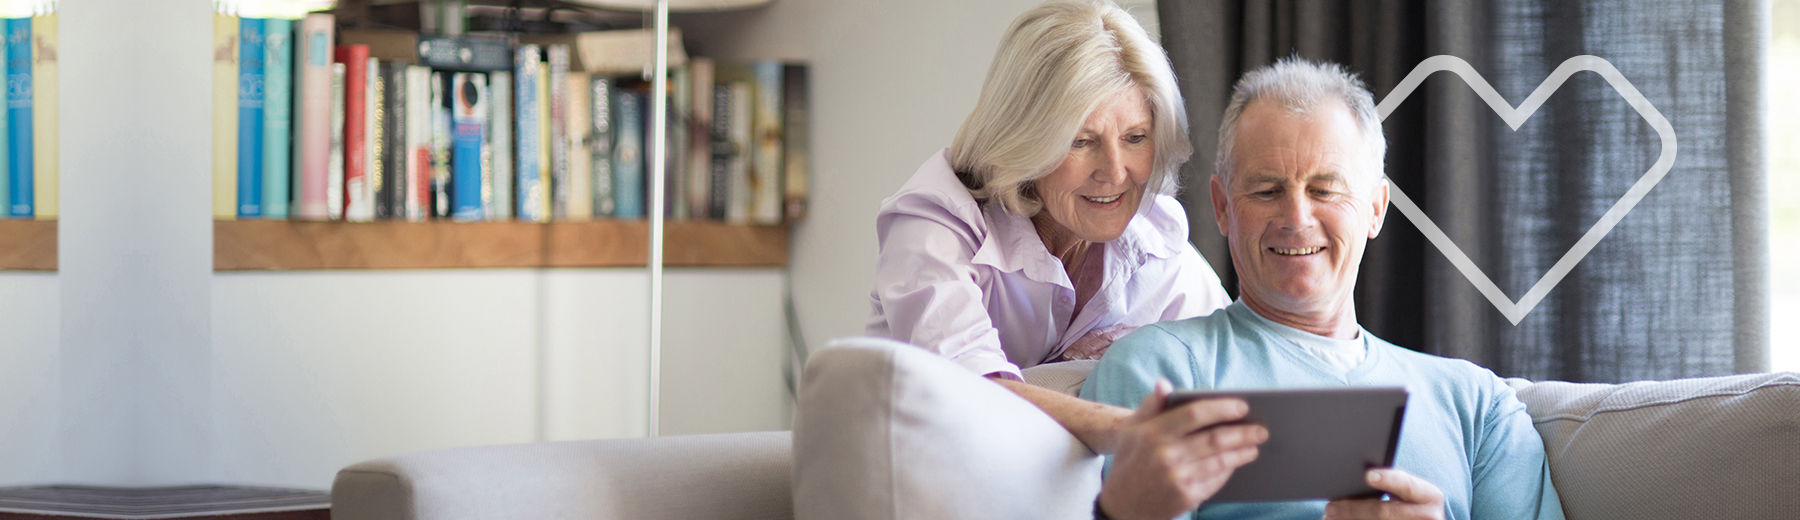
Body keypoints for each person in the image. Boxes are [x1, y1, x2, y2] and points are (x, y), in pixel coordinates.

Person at [1081, 57, 1566, 520]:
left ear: (1376, 208)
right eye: (1267, 191)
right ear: (1223, 207)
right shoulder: (1159, 371)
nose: (1296, 218)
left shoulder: (1479, 405)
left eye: (1325, 190)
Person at [863, 0, 1253, 497]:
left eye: (1135, 138)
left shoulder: (1155, 238)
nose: (1115, 171)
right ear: (1024, 138)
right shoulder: (934, 222)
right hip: (929, 489)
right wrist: (1123, 422)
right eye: (1080, 141)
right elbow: (966, 397)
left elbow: (1238, 369)